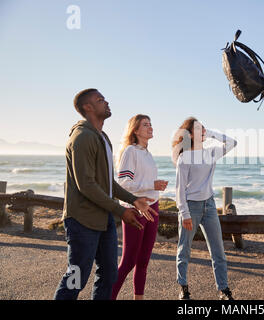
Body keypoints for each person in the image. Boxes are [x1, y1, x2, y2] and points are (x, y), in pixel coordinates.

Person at [54, 89, 158, 300]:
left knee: (109, 275)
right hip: (82, 220)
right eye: (100, 100)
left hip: (104, 220)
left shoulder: (103, 138)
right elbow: (87, 185)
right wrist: (121, 210)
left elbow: (108, 183)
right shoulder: (82, 138)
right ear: (88, 107)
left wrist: (133, 200)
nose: (106, 102)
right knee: (76, 278)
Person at [172, 117, 237, 300]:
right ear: (190, 134)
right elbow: (179, 189)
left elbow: (233, 142)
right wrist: (184, 213)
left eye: (203, 128)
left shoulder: (211, 152)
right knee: (184, 249)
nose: (203, 131)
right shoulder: (184, 157)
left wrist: (212, 133)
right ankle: (183, 287)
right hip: (190, 207)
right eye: (199, 129)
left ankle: (223, 290)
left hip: (209, 205)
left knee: (218, 251)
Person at [111, 114, 168, 300]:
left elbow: (142, 181)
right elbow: (123, 184)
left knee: (143, 261)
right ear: (135, 130)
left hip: (153, 207)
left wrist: (154, 187)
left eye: (151, 124)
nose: (150, 127)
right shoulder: (130, 151)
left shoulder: (147, 154)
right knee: (128, 262)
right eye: (145, 125)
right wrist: (152, 185)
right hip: (136, 210)